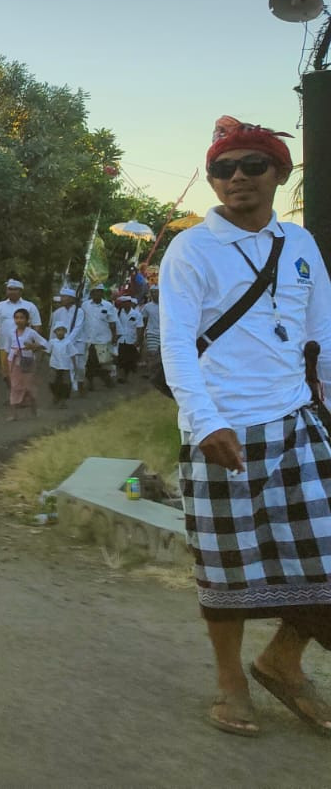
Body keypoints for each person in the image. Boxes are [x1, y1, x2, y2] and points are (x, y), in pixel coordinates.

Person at [162, 116, 331, 738]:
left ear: (278, 174)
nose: (236, 179)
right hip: (220, 430)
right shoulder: (191, 248)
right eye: (223, 169)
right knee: (227, 569)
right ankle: (232, 682)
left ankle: (282, 661)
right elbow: (176, 342)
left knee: (326, 559)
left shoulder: (302, 243)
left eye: (252, 166)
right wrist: (205, 419)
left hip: (295, 422)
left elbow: (323, 334)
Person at [0, 279, 39, 385]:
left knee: (23, 372)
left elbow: (37, 325)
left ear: (21, 291)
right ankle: (13, 395)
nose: (12, 292)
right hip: (4, 346)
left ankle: (20, 396)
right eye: (10, 289)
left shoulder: (30, 306)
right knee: (6, 373)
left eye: (15, 289)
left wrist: (34, 343)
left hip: (24, 347)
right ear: (6, 291)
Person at [7, 309, 46, 419]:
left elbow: (45, 344)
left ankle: (34, 410)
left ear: (27, 320)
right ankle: (13, 414)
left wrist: (33, 347)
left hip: (27, 361)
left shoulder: (31, 332)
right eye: (16, 318)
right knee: (14, 386)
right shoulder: (11, 332)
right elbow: (7, 347)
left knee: (29, 386)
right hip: (13, 361)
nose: (19, 320)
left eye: (21, 318)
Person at [80, 285, 119, 390]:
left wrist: (114, 336)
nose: (97, 294)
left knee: (102, 362)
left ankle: (107, 380)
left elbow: (112, 323)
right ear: (91, 293)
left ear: (102, 293)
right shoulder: (85, 305)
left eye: (100, 292)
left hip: (103, 339)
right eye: (95, 292)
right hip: (89, 338)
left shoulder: (108, 305)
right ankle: (91, 382)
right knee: (90, 362)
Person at [49, 285, 86, 392]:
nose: (62, 299)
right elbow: (53, 329)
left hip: (76, 343)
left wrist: (67, 341)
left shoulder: (79, 312)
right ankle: (67, 388)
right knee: (64, 366)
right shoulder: (57, 312)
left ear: (71, 299)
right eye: (62, 296)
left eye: (64, 297)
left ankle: (80, 383)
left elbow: (78, 328)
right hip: (60, 344)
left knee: (79, 367)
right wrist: (51, 344)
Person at [115, 294, 143, 383]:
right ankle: (122, 376)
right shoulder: (117, 313)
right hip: (121, 339)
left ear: (130, 303)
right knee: (121, 359)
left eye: (127, 303)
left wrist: (139, 340)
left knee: (130, 359)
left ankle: (127, 376)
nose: (125, 305)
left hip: (131, 340)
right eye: (124, 303)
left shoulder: (137, 314)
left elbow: (139, 327)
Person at [48, 323, 75, 407]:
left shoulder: (68, 342)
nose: (60, 332)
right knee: (52, 382)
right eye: (58, 330)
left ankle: (63, 401)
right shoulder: (52, 342)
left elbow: (72, 354)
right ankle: (56, 396)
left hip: (65, 365)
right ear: (55, 332)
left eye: (62, 330)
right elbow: (48, 352)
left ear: (65, 331)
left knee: (65, 384)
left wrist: (74, 366)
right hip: (54, 365)